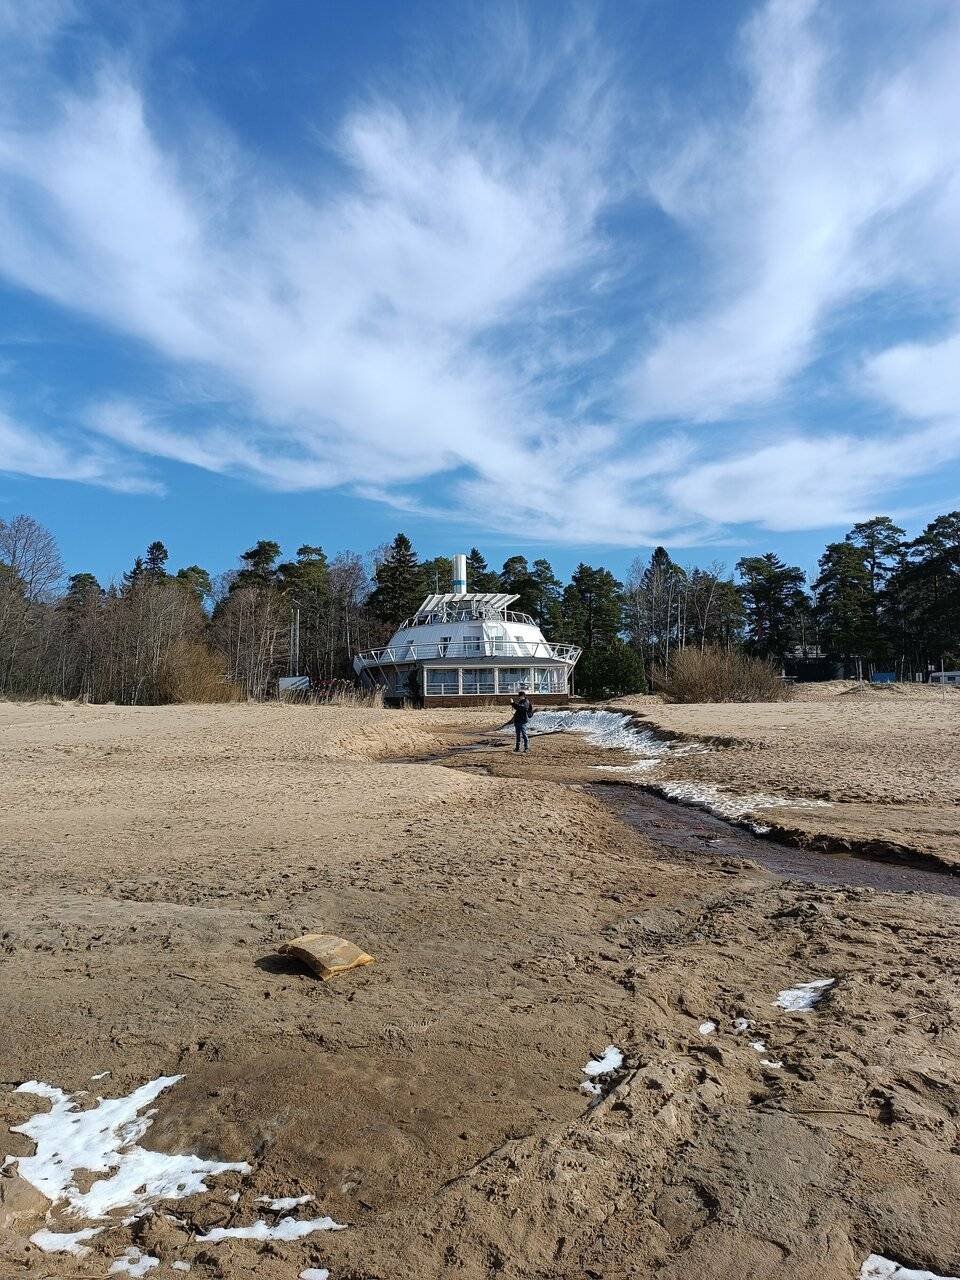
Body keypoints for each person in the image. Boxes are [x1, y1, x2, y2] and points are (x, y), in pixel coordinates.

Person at [510, 687, 534, 752]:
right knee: (518, 734)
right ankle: (517, 748)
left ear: (523, 696)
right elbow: (518, 708)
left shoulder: (526, 702)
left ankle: (526, 748)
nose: (519, 697)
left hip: (522, 720)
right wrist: (513, 704)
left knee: (524, 734)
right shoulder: (520, 702)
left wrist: (513, 703)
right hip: (517, 720)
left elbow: (521, 708)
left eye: (520, 696)